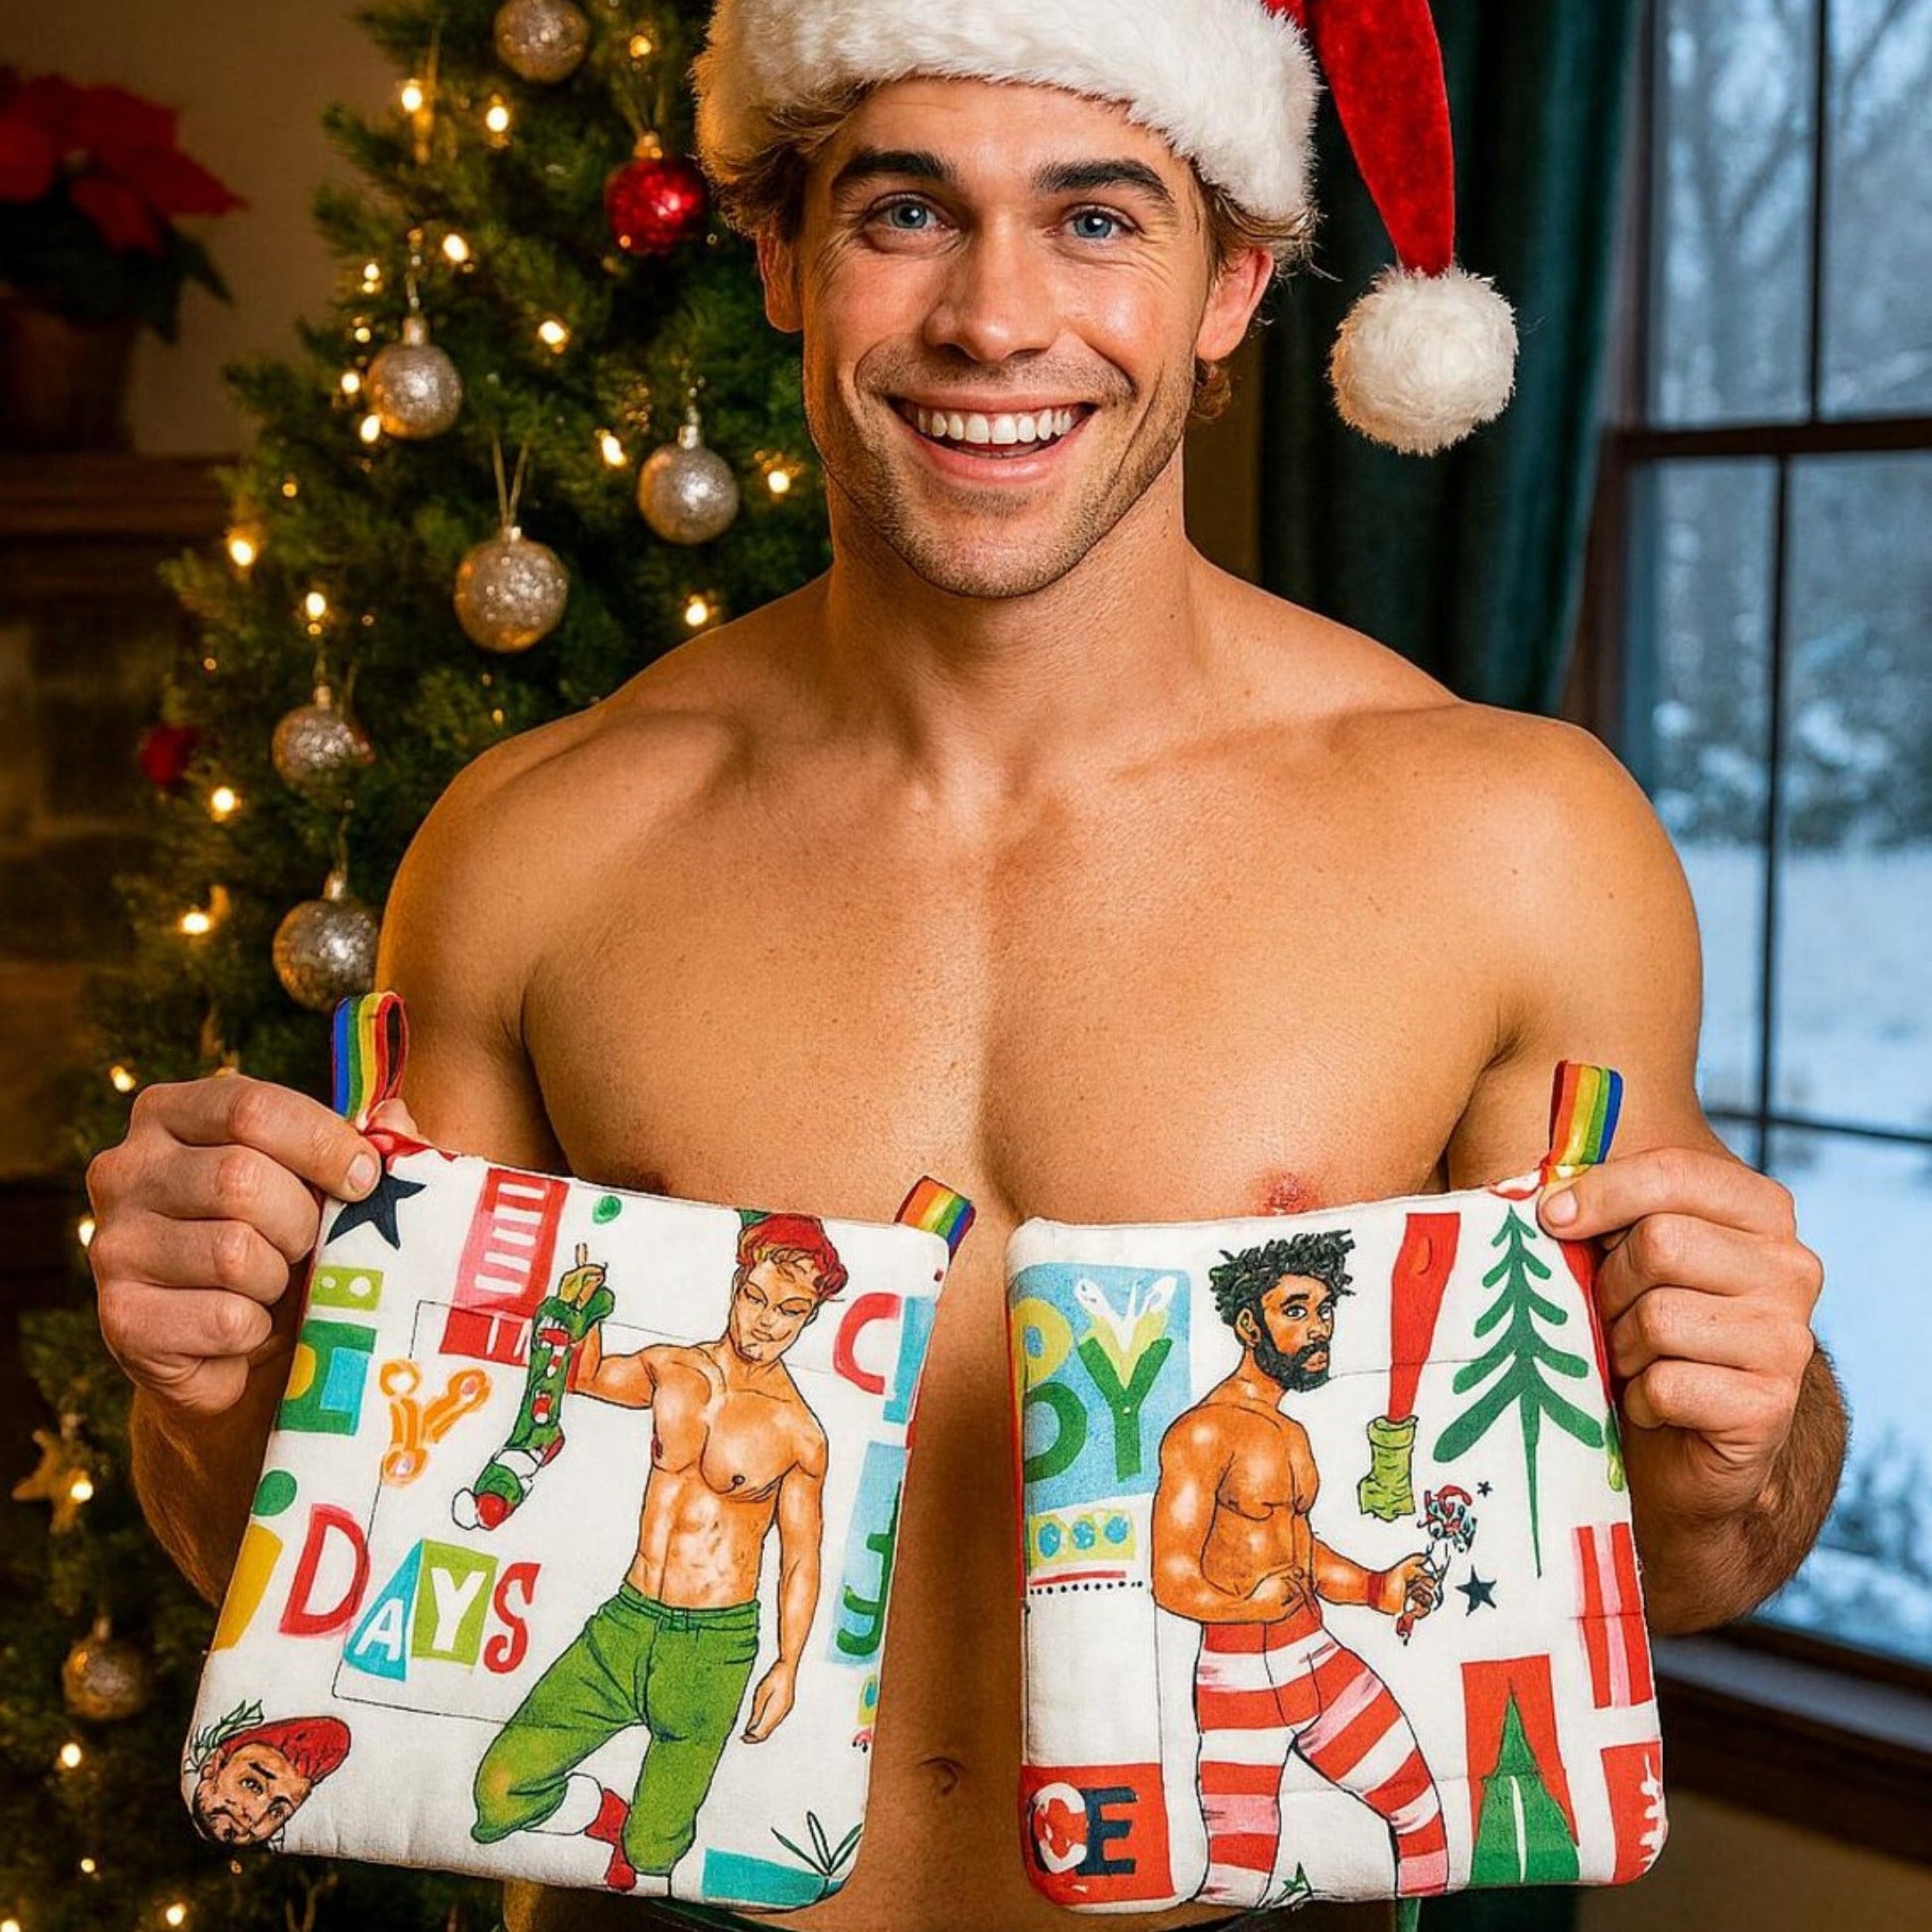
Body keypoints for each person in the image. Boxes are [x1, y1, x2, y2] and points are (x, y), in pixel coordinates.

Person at [87, 4, 1843, 1929]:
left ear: (1233, 283)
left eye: (1096, 221)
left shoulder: (1511, 847)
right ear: (775, 257)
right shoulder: (537, 850)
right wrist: (212, 1383)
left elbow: (1674, 1556)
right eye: (905, 213)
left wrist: (1744, 1422)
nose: (994, 320)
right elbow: (336, 1547)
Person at [470, 1213, 840, 1893]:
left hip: (713, 1648)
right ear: (736, 1287)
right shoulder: (675, 1369)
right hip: (625, 1623)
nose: (765, 1322)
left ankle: (636, 1837)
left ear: (809, 1318)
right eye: (756, 1299)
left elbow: (801, 1560)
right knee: (499, 1788)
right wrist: (583, 1310)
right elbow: (578, 1379)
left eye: (790, 1311)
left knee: (653, 1855)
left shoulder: (800, 1432)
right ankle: (598, 1814)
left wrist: (786, 1665)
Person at [1152, 1232, 1447, 1907]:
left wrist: (1376, 1587)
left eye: (1323, 1309)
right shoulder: (1202, 1433)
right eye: (1296, 1311)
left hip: (1314, 1655)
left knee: (1420, 1808)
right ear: (1248, 1323)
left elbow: (1300, 1553)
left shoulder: (1290, 1431)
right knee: (1237, 1874)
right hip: (1239, 1676)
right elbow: (1172, 1576)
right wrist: (1247, 1603)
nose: (1318, 1328)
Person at [187, 1711, 350, 1848]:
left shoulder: (270, 1740)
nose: (259, 1812)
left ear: (215, 1767)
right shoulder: (321, 1760)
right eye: (276, 1811)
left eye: (252, 1785)